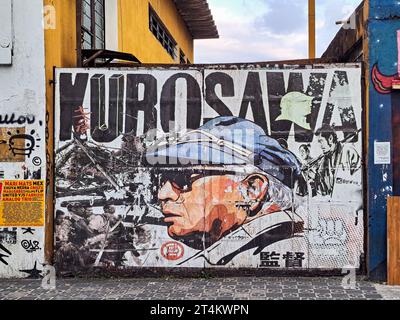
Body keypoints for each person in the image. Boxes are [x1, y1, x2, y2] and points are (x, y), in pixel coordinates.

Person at [145, 116, 306, 266]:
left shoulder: (274, 249)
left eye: (182, 179)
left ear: (252, 189)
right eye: (161, 180)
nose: (163, 194)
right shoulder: (230, 256)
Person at [313, 124, 361, 197]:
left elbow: (360, 180)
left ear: (330, 138)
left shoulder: (348, 152)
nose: (320, 145)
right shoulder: (323, 161)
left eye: (321, 141)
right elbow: (322, 190)